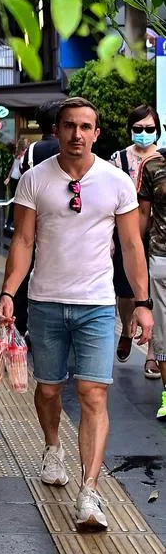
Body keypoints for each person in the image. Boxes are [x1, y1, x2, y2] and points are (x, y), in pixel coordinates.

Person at [0, 97, 153, 532]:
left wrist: (142, 304)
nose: (77, 134)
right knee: (49, 390)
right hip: (45, 301)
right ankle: (53, 448)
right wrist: (8, 292)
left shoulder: (117, 182)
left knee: (93, 394)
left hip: (98, 305)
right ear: (57, 131)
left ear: (97, 134)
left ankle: (90, 491)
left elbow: (132, 246)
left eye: (85, 127)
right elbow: (23, 242)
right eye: (69, 126)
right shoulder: (34, 179)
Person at [109, 105, 161, 370]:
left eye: (149, 129)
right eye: (138, 128)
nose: (144, 133)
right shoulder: (118, 159)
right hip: (126, 232)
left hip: (158, 234)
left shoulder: (161, 160)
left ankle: (153, 351)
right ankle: (127, 330)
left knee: (155, 293)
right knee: (127, 291)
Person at [12, 99, 64, 339]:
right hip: (62, 220)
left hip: (35, 219)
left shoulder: (32, 151)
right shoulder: (66, 148)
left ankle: (24, 326)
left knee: (27, 271)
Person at [138, 148, 166, 417]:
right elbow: (143, 214)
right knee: (164, 333)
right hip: (161, 258)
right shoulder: (153, 166)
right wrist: (134, 252)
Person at [5, 137, 29, 231]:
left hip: (16, 178)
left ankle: (10, 222)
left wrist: (8, 177)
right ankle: (11, 222)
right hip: (17, 179)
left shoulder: (19, 155)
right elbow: (14, 167)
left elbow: (13, 168)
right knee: (15, 201)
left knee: (15, 201)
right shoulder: (21, 156)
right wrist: (8, 177)